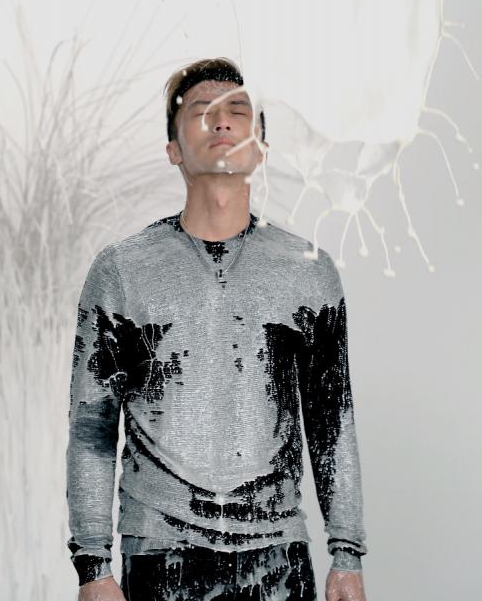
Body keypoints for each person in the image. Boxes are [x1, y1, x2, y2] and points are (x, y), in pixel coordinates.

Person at [65, 57, 368, 601]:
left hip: (277, 557)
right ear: (173, 149)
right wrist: (93, 566)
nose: (222, 121)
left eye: (238, 111)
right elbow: (92, 427)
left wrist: (346, 555)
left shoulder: (307, 270)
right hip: (159, 556)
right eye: (201, 111)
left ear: (261, 146)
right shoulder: (122, 270)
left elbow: (332, 422)